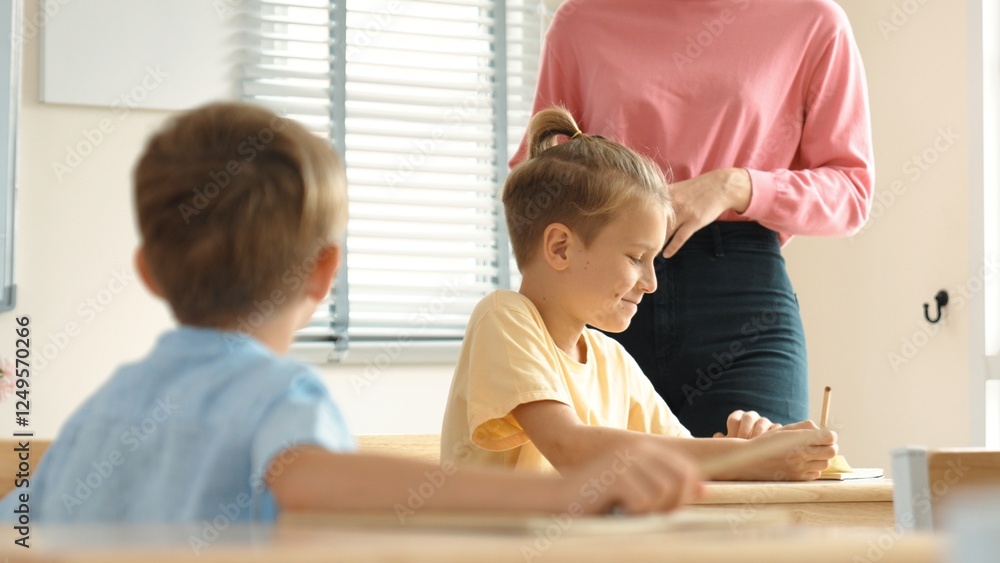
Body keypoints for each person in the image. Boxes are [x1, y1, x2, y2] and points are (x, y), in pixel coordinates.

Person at [0, 102, 703, 524]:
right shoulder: (278, 396)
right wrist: (561, 497)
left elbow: (19, 524)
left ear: (148, 272)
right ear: (324, 273)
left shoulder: (101, 412)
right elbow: (306, 477)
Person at [511, 0, 875, 437]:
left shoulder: (812, 21)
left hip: (742, 306)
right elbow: (536, 181)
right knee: (597, 477)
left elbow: (851, 191)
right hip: (600, 291)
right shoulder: (583, 19)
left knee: (760, 474)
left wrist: (734, 186)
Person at [441, 107, 838, 480]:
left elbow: (678, 460)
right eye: (636, 258)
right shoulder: (503, 317)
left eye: (653, 261)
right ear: (560, 248)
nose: (651, 283)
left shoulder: (613, 360)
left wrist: (746, 446)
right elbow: (570, 446)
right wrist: (745, 457)